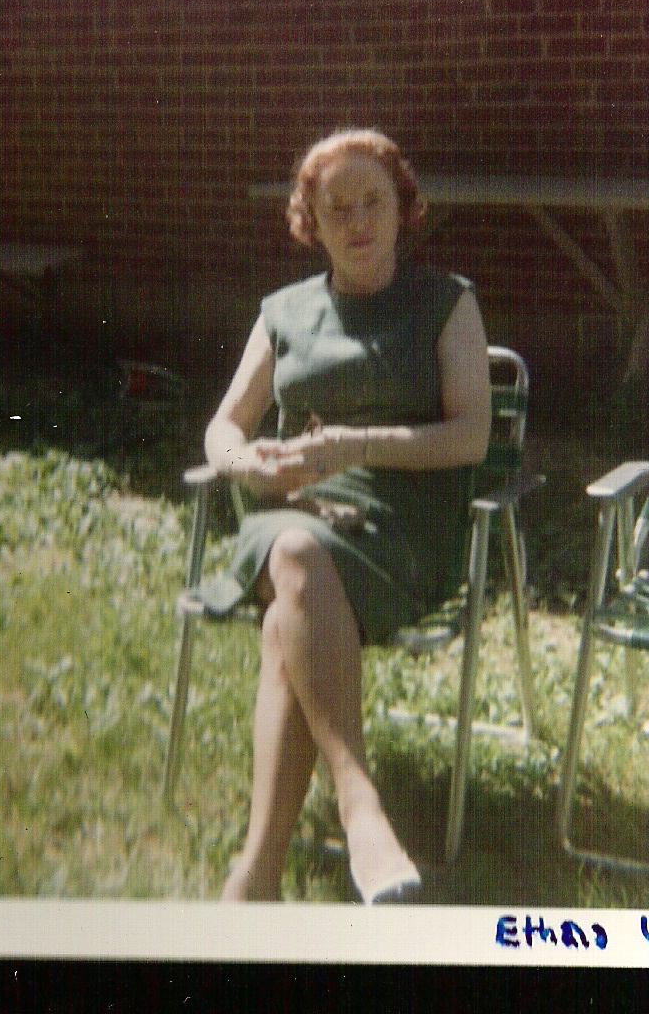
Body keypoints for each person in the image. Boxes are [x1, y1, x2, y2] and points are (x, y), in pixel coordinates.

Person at [198, 128, 491, 903]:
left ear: (403, 209)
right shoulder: (284, 312)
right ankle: (361, 810)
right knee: (296, 550)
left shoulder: (446, 303)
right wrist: (246, 462)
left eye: (373, 202)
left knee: (285, 619)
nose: (359, 221)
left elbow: (471, 436)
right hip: (292, 510)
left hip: (402, 529)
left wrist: (355, 446)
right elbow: (223, 428)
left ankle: (258, 873)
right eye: (338, 208)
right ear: (311, 223)